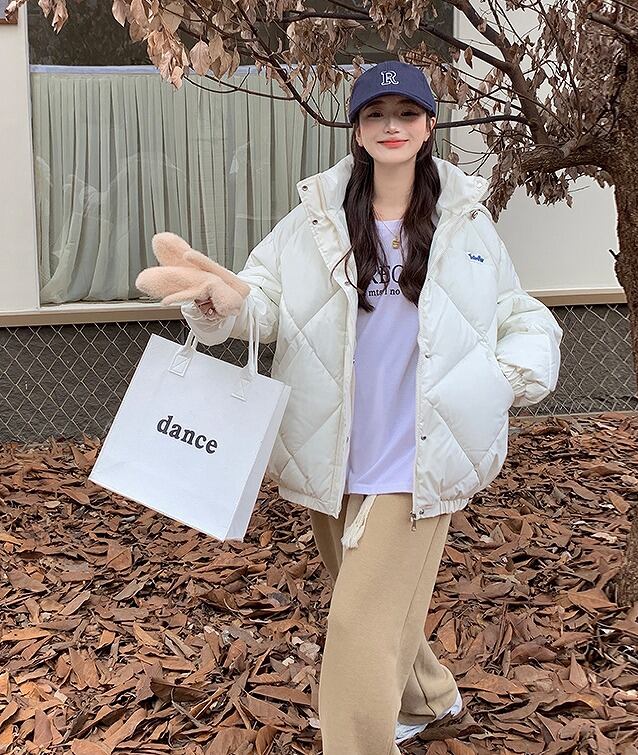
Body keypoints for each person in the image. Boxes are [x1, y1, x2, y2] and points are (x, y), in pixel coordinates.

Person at [181, 60, 563, 754]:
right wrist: (226, 305)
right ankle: (430, 698)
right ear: (356, 130)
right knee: (376, 600)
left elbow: (521, 315)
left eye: (406, 113)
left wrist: (500, 381)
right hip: (334, 447)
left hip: (422, 451)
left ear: (429, 126)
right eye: (376, 114)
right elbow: (265, 302)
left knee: (358, 624)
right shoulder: (314, 222)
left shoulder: (466, 223)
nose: (392, 126)